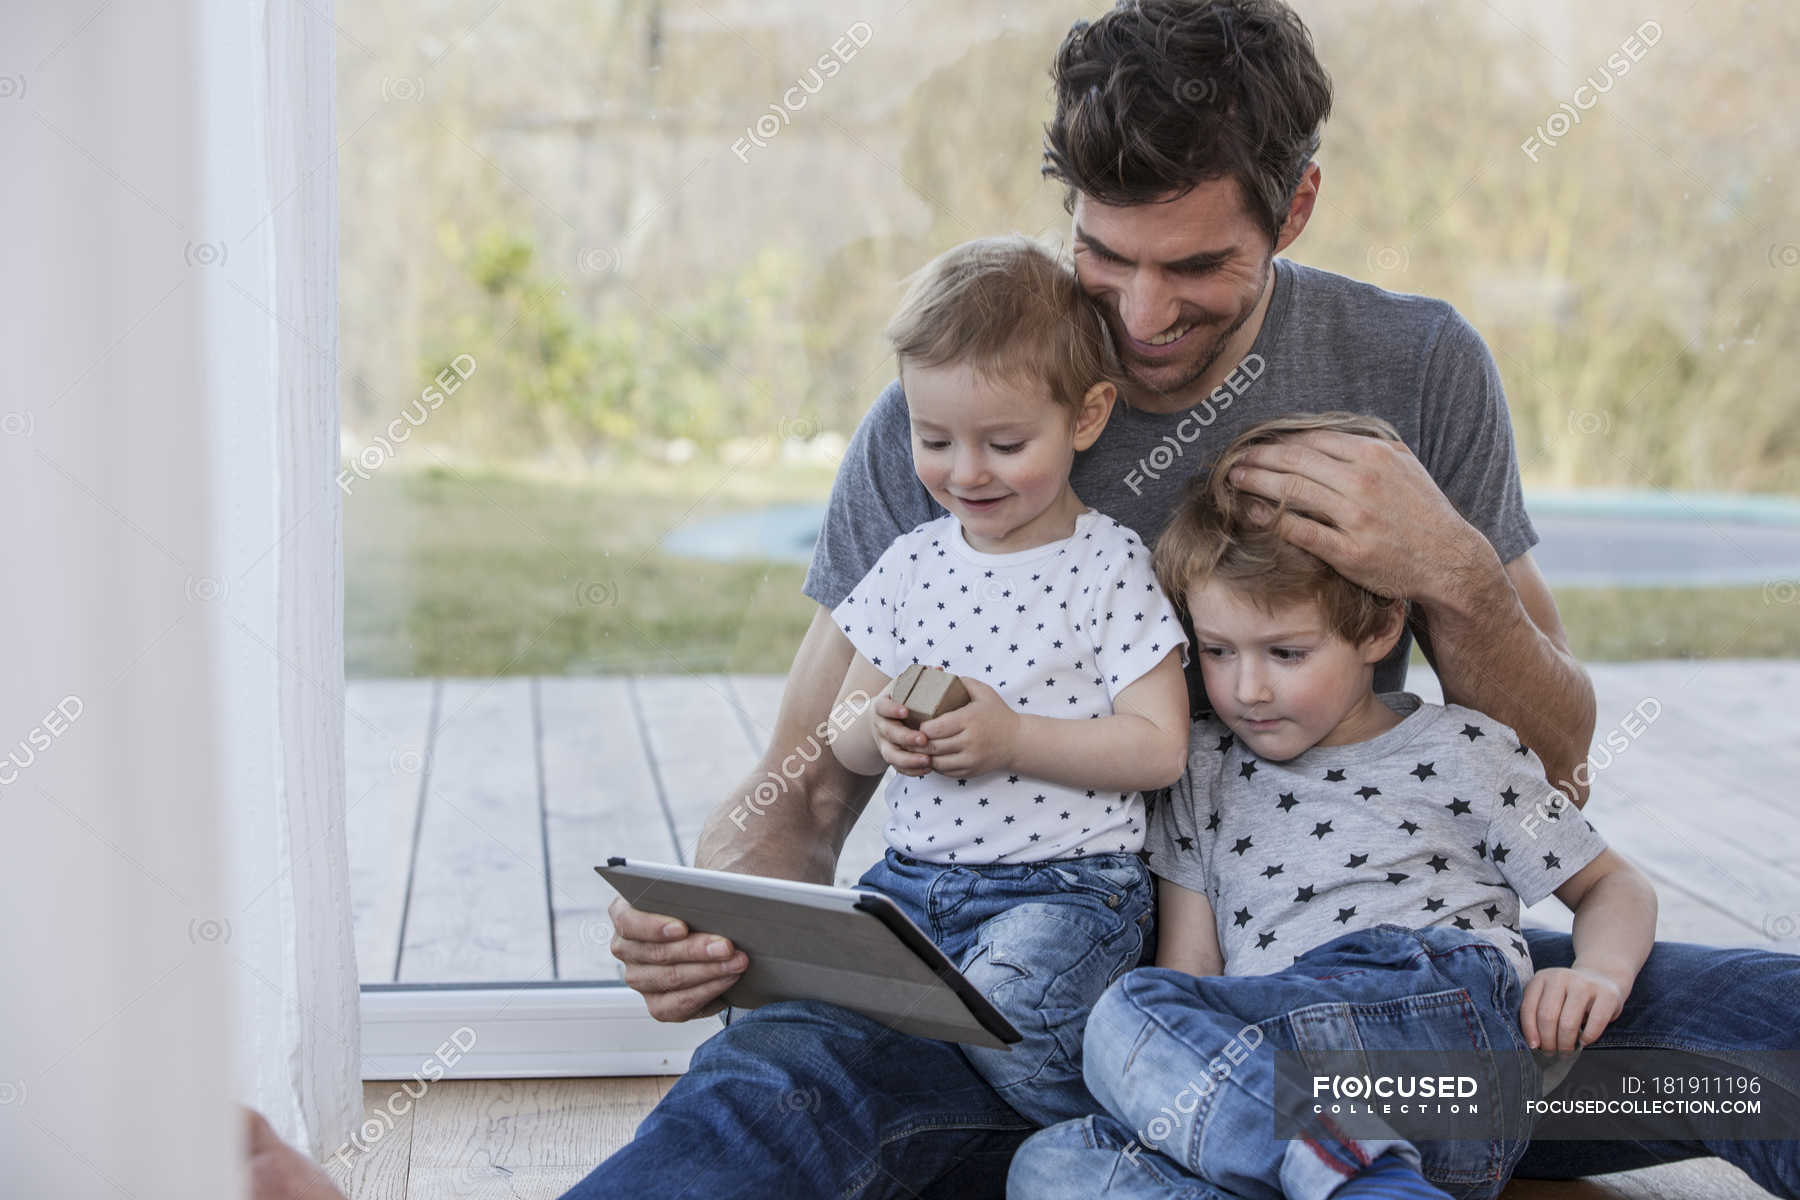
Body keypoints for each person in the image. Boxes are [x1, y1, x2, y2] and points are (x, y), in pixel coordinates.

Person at [581, 3, 1800, 1197]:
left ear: (1297, 207)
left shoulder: (1416, 367)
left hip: (1374, 1006)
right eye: (1105, 258)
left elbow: (1554, 766)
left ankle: (1248, 1149)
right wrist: (714, 919)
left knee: (1774, 1038)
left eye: (1197, 265)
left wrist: (1452, 569)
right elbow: (801, 787)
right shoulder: (962, 424)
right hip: (1013, 1014)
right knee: (771, 1091)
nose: (1143, 318)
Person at [1006, 414, 1658, 1200]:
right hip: (1282, 1085)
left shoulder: (1464, 749)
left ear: (1381, 625)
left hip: (1436, 1039)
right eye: (1217, 651)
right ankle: (1365, 1184)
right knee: (1055, 1165)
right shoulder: (1201, 766)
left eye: (1286, 653)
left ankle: (1354, 1177)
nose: (1247, 688)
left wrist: (1597, 975)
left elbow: (1614, 885)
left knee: (1123, 1018)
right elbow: (1194, 974)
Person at [824, 234, 1190, 1125]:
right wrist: (884, 730)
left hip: (1065, 889)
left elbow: (1160, 747)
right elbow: (842, 729)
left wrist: (1013, 738)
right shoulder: (911, 563)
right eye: (934, 439)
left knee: (1011, 1019)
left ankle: (1138, 1137)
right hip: (911, 882)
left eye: (1005, 442)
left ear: (1088, 417)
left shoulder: (1106, 565)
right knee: (828, 1020)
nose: (966, 472)